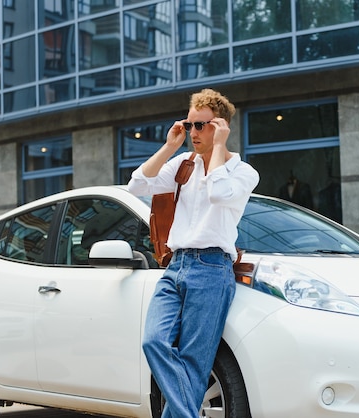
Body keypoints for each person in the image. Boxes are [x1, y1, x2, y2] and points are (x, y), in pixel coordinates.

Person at [127, 88, 259, 418]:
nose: (194, 133)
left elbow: (218, 193)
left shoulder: (243, 172)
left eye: (202, 126)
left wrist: (216, 149)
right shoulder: (182, 165)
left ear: (221, 126)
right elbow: (137, 186)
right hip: (176, 266)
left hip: (212, 269)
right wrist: (170, 145)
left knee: (194, 364)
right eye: (190, 125)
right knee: (153, 341)